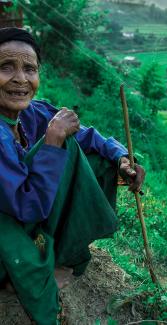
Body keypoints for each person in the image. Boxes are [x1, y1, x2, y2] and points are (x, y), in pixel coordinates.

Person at [0, 27, 145, 324]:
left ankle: (59, 254)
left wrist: (121, 158)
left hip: (24, 213)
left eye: (30, 69)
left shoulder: (30, 113)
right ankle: (23, 273)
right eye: (5, 67)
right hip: (7, 234)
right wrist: (52, 141)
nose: (20, 79)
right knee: (63, 145)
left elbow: (88, 135)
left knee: (98, 159)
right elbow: (29, 206)